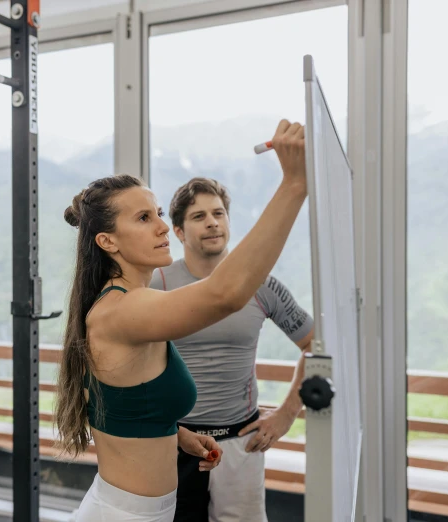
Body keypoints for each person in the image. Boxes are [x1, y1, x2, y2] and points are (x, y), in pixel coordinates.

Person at [54, 120, 308, 522]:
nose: (160, 227)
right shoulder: (122, 311)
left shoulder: (136, 302)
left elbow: (124, 406)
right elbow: (224, 293)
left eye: (156, 213)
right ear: (108, 241)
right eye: (142, 218)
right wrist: (294, 185)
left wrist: (178, 435)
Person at [150, 177, 314, 522]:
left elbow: (315, 346)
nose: (212, 222)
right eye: (198, 216)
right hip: (174, 440)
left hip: (241, 441)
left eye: (219, 213)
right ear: (178, 232)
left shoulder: (262, 285)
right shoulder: (157, 285)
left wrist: (286, 414)